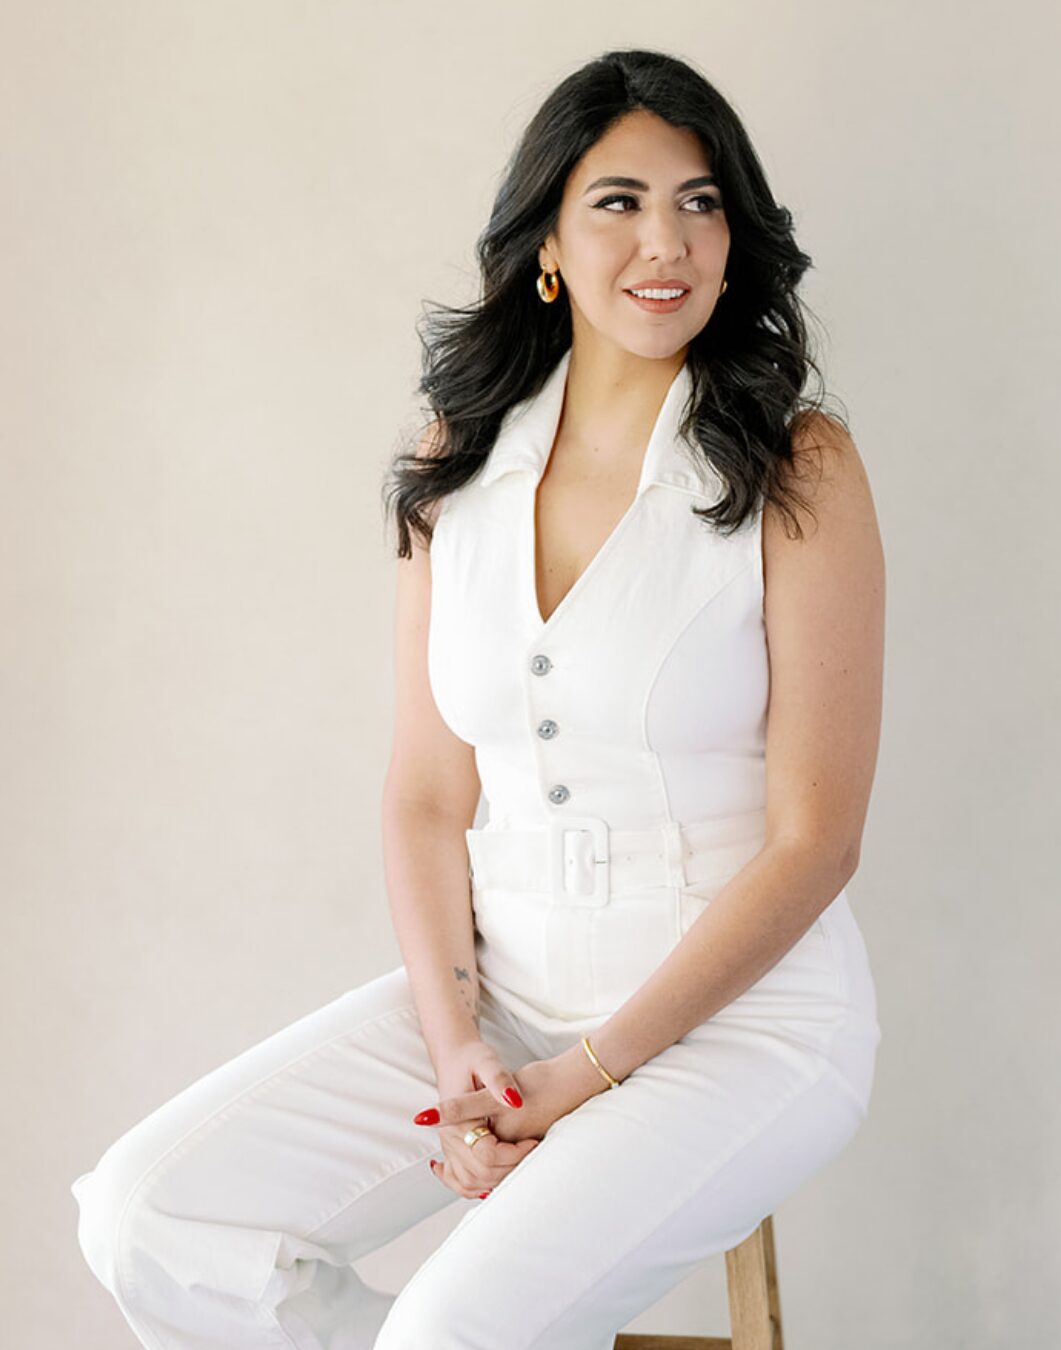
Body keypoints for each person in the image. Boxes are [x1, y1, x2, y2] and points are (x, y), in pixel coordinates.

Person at [70, 47, 885, 1350]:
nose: (666, 240)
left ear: (736, 238)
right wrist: (459, 1049)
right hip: (505, 990)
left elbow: (816, 841)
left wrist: (585, 1074)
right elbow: (426, 794)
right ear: (547, 243)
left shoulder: (798, 466)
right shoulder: (460, 461)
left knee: (448, 1332)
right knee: (148, 1216)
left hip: (745, 1021)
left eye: (701, 201)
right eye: (618, 201)